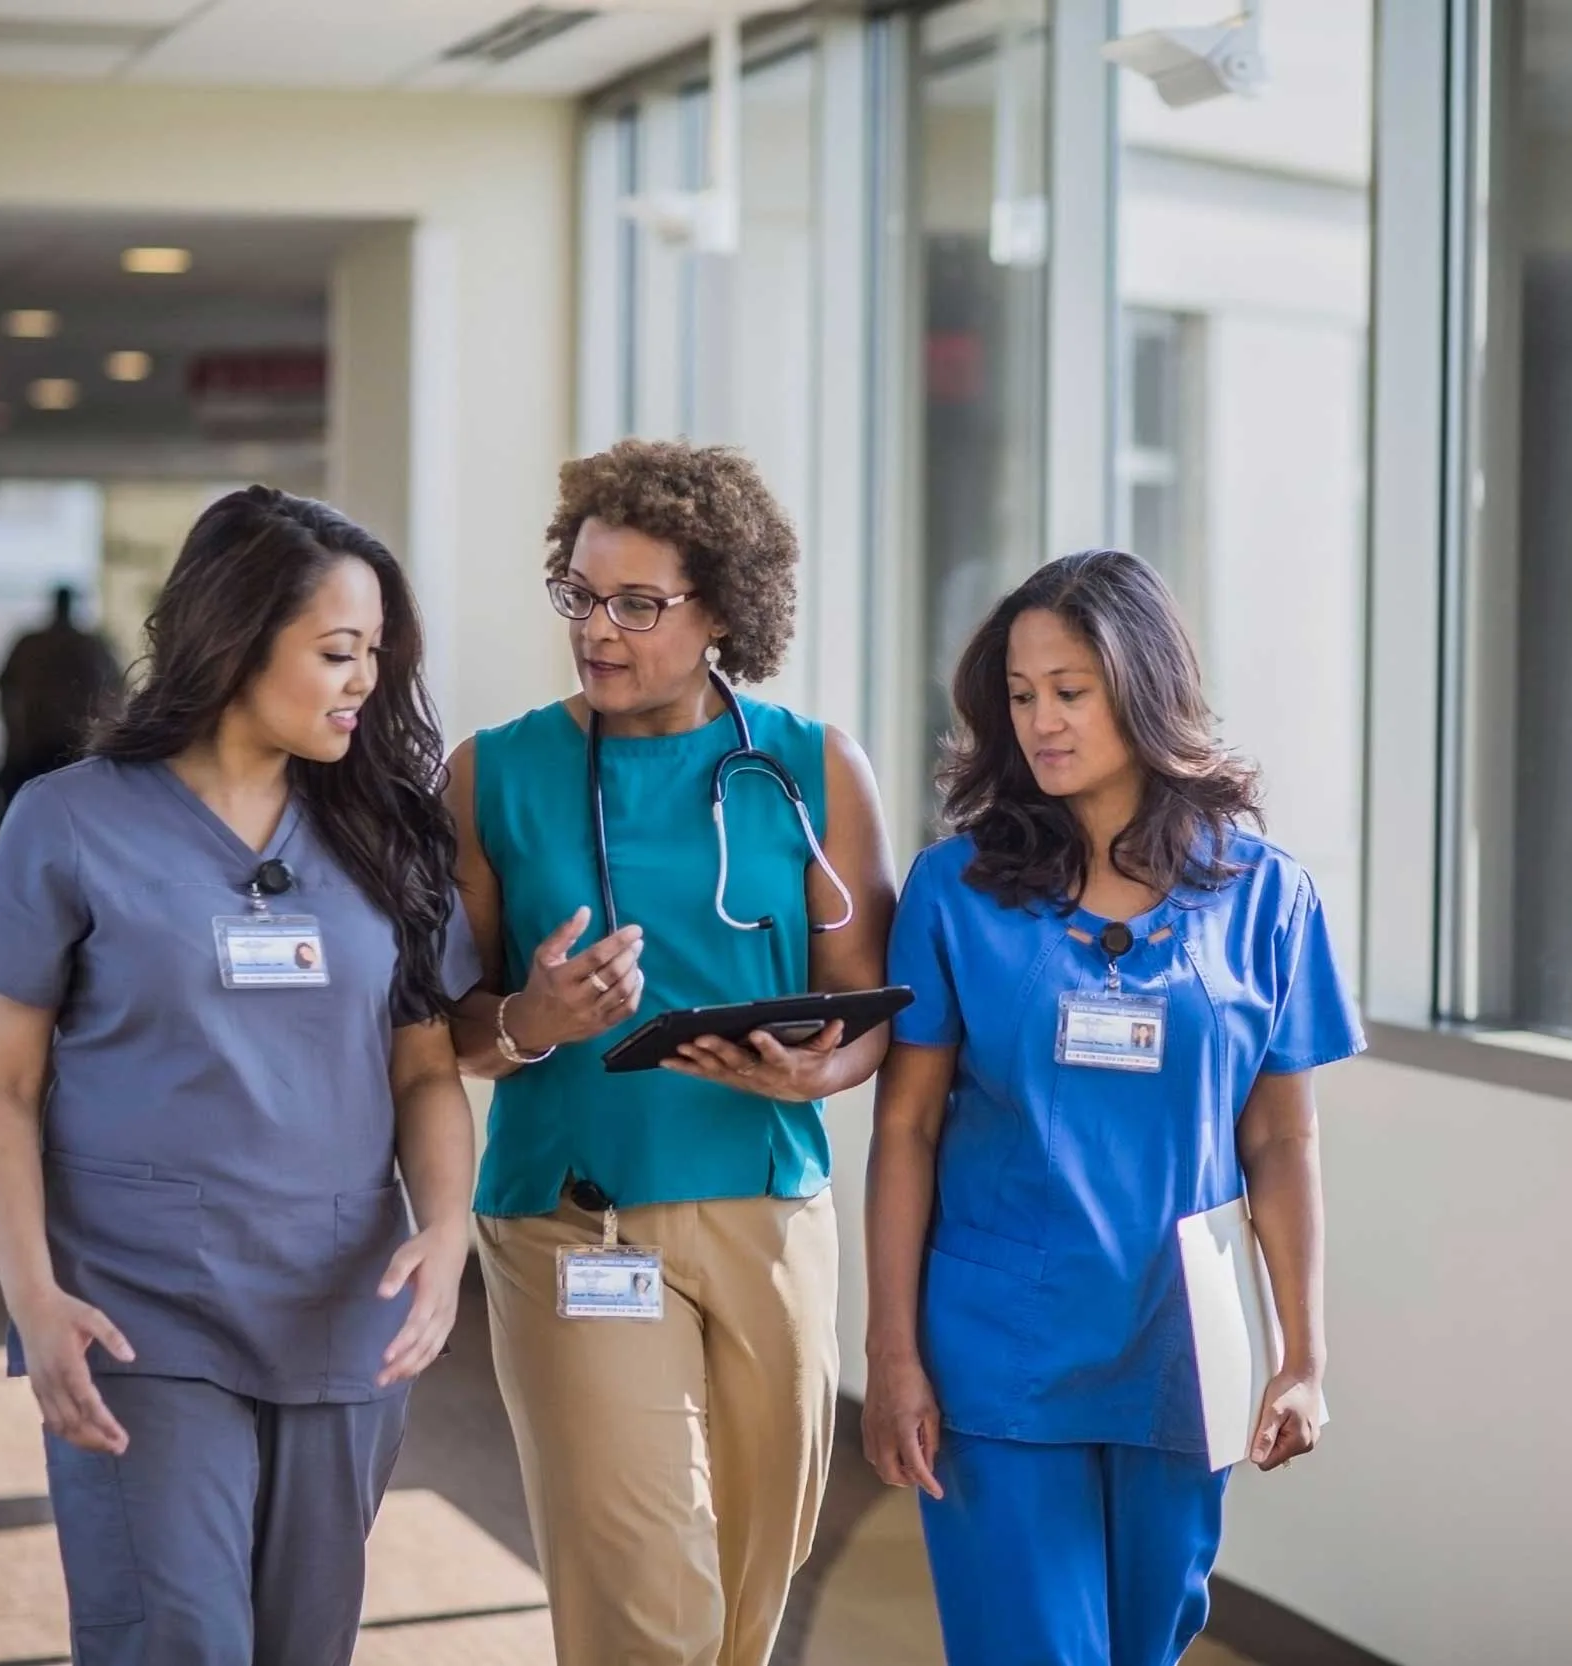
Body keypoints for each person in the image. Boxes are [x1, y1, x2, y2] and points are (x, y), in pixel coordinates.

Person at [0, 487, 484, 1666]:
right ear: (236, 638)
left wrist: (447, 1232)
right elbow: (1, 1086)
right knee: (180, 1636)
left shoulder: (386, 833)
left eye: (376, 658)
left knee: (305, 1644)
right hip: (137, 1306)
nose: (364, 683)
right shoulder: (68, 822)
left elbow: (424, 1070)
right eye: (337, 653)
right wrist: (32, 1295)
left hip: (340, 1301)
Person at [864, 549, 1366, 1666]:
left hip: (1184, 1346)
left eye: (1070, 691)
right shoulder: (956, 890)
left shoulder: (1266, 896)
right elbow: (906, 1128)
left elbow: (1281, 1136)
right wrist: (890, 1348)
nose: (1041, 720)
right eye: (1022, 694)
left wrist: (1305, 1351)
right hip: (998, 1349)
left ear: (1141, 687)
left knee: (1146, 1647)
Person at [449, 438, 898, 1666]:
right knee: (647, 1594)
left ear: (721, 613)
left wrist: (819, 1069)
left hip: (767, 1200)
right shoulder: (492, 774)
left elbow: (871, 1004)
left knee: (760, 1567)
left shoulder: (812, 767)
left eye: (637, 604)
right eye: (580, 595)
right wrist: (531, 1021)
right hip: (571, 1213)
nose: (598, 629)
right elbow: (439, 1029)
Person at [0, 584, 122, 866]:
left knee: (15, 827)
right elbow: (114, 699)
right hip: (61, 749)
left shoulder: (37, 645)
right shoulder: (89, 645)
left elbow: (6, 694)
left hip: (48, 748)